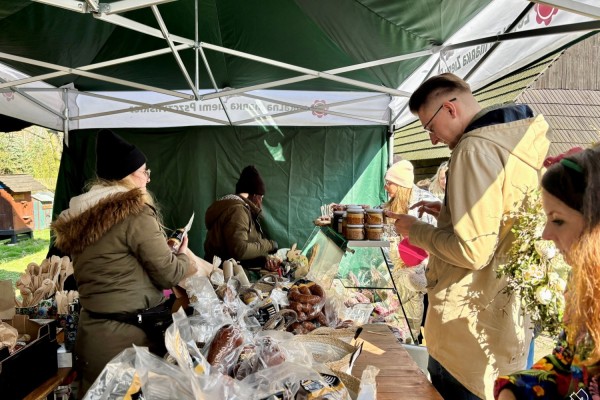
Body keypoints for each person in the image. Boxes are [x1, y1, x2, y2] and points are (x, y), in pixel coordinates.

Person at [386, 73, 550, 399]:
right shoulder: (515, 143)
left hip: (466, 337)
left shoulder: (473, 149)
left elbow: (472, 252)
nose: (432, 139)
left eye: (429, 127)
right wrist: (448, 212)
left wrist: (415, 230)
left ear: (450, 108)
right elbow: (499, 224)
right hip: (504, 322)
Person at [51, 129, 197, 397]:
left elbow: (115, 265)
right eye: (144, 171)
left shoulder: (81, 217)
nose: (147, 178)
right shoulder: (134, 213)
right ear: (127, 176)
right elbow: (168, 274)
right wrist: (184, 258)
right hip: (126, 344)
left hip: (92, 337)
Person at [495, 145, 600, 400]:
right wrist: (514, 389)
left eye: (558, 220)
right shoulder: (583, 280)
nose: (545, 234)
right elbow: (566, 363)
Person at [381, 159, 438, 343]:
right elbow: (387, 230)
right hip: (400, 275)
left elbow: (437, 241)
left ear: (401, 184)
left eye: (389, 183)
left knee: (417, 324)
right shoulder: (393, 204)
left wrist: (418, 265)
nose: (385, 186)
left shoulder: (425, 204)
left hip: (422, 276)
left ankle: (412, 344)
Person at [204, 165, 278, 281]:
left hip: (225, 273)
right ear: (254, 195)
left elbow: (238, 245)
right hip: (225, 278)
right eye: (261, 197)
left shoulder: (237, 207)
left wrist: (264, 259)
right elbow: (240, 250)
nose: (261, 201)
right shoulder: (238, 211)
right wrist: (269, 245)